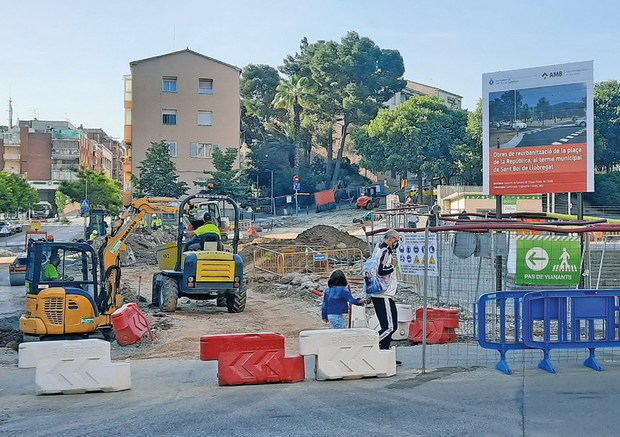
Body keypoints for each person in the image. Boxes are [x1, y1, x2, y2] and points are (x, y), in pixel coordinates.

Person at [370, 230, 401, 356]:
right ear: (392, 239)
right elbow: (381, 270)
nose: (396, 243)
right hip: (383, 294)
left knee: (392, 325)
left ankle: (384, 353)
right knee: (389, 327)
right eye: (396, 240)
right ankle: (369, 345)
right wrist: (393, 266)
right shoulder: (384, 251)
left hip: (382, 293)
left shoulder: (378, 248)